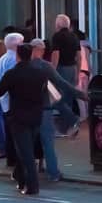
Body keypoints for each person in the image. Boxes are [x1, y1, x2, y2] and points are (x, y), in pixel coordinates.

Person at [0, 43, 50, 196]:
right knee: (25, 148)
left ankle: (32, 185)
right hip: (35, 115)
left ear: (18, 56)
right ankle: (20, 178)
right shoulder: (40, 73)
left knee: (25, 151)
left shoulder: (13, 74)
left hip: (18, 116)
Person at [28, 38, 80, 183]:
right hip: (44, 109)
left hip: (27, 109)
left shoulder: (23, 65)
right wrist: (81, 94)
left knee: (27, 141)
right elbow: (61, 84)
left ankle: (26, 171)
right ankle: (53, 172)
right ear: (41, 50)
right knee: (47, 141)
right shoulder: (45, 66)